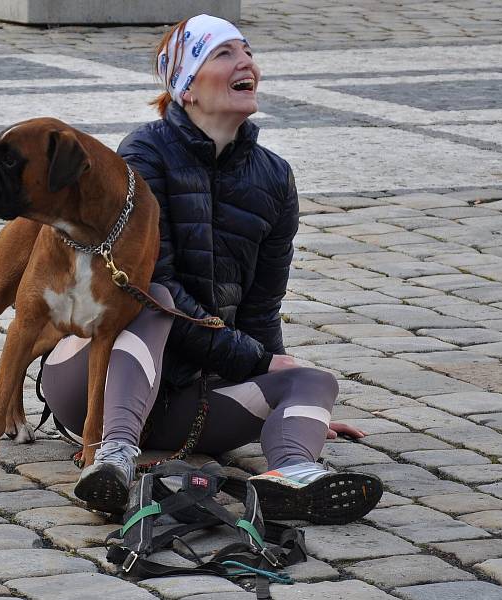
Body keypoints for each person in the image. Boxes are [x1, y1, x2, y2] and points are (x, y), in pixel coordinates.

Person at [40, 14, 382, 523]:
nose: (246, 62)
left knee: (311, 381)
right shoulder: (142, 155)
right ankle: (112, 459)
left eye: (246, 51)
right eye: (223, 54)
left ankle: (294, 472)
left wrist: (290, 404)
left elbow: (262, 308)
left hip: (192, 408)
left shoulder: (273, 176)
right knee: (153, 295)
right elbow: (147, 290)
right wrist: (258, 362)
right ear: (186, 89)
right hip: (93, 388)